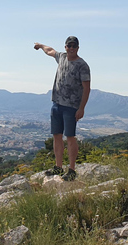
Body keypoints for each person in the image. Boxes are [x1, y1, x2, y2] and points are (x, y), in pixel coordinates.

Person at [33, 36, 91, 181]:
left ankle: (71, 170)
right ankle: (58, 167)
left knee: (70, 137)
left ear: (78, 48)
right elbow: (50, 50)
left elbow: (87, 88)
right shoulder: (61, 57)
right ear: (65, 47)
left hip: (71, 107)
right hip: (56, 104)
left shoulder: (82, 65)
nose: (71, 48)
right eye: (69, 46)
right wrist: (40, 45)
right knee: (56, 135)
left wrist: (81, 108)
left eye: (74, 46)